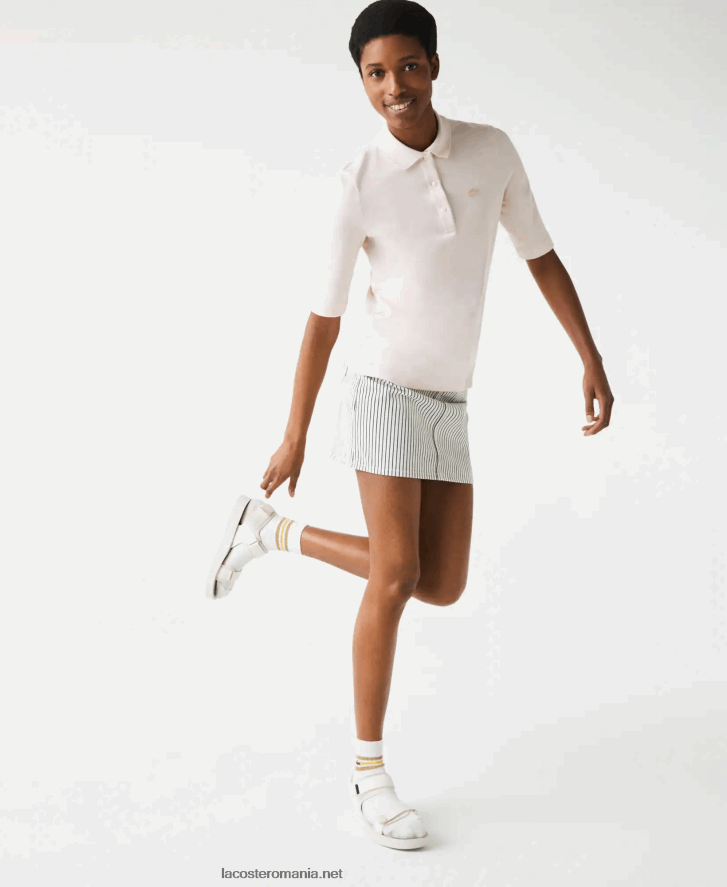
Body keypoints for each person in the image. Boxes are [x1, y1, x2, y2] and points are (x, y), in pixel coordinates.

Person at [205, 0, 614, 852]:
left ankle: (271, 533)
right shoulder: (356, 182)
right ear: (361, 82)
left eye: (407, 66)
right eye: (374, 73)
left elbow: (539, 255)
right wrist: (293, 433)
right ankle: (369, 776)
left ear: (434, 64)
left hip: (449, 399)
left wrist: (589, 355)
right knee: (394, 574)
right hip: (382, 388)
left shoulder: (491, 151)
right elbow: (322, 321)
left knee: (441, 582)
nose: (393, 86)